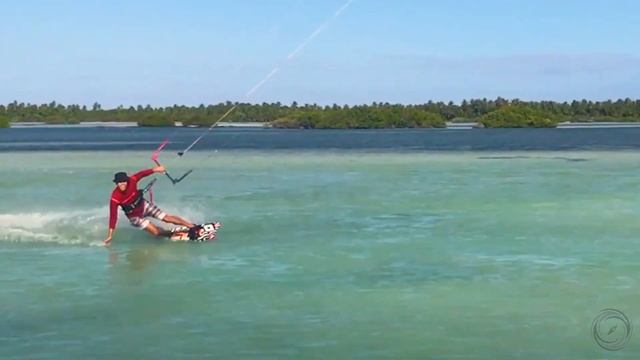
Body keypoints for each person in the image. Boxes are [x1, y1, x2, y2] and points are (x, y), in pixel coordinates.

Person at [104, 166, 196, 246]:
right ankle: (172, 234)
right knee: (156, 232)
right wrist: (110, 236)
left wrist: (156, 169)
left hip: (144, 205)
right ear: (116, 183)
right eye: (119, 182)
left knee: (167, 218)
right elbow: (113, 217)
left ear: (127, 181)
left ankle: (192, 226)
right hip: (134, 217)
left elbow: (142, 174)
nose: (122, 184)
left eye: (124, 181)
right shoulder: (115, 198)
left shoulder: (132, 181)